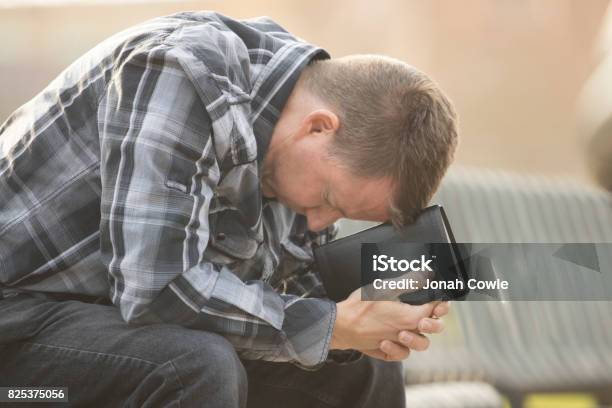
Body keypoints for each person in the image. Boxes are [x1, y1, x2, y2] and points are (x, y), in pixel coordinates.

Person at [0, 11, 458, 408]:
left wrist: (372, 320)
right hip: (17, 353)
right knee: (193, 365)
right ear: (318, 128)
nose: (319, 222)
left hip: (113, 338)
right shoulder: (182, 71)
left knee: (360, 370)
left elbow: (287, 297)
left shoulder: (289, 144)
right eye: (328, 200)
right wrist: (335, 326)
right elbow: (158, 289)